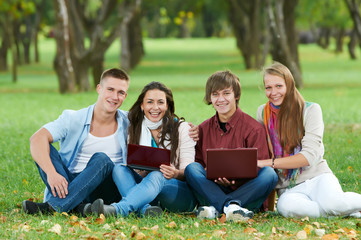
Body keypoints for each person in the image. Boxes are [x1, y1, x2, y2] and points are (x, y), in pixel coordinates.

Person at [257, 62, 361, 218]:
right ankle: (341, 213)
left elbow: (308, 157)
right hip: (289, 187)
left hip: (318, 177)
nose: (273, 92)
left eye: (279, 86)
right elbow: (261, 148)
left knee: (335, 204)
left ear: (290, 85)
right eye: (268, 87)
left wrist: (268, 163)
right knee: (287, 209)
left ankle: (338, 208)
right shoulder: (262, 113)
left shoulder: (311, 110)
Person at [22, 68, 130, 214]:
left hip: (107, 188)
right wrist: (52, 173)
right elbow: (36, 139)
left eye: (121, 92)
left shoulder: (131, 122)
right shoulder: (73, 118)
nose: (115, 97)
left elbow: (158, 123)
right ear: (99, 88)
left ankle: (53, 207)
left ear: (125, 95)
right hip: (68, 183)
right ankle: (81, 208)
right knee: (45, 149)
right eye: (110, 89)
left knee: (102, 159)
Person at [89, 81, 198, 217]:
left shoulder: (182, 129)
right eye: (150, 102)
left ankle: (118, 210)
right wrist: (141, 171)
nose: (155, 107)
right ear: (142, 105)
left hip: (179, 194)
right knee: (119, 169)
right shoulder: (135, 128)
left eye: (160, 102)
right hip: (149, 192)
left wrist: (175, 173)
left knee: (158, 174)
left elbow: (189, 171)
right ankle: (145, 210)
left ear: (167, 105)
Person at [184, 70, 278, 222]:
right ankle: (232, 207)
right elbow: (199, 166)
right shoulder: (202, 129)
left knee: (269, 174)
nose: (221, 99)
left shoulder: (254, 129)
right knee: (191, 169)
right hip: (213, 188)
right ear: (210, 98)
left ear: (236, 95)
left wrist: (235, 179)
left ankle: (217, 208)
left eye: (226, 93)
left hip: (246, 190)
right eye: (215, 94)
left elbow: (260, 166)